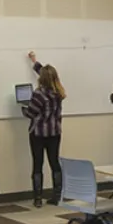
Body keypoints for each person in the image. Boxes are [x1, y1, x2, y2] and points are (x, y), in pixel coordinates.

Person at [24, 52, 65, 208]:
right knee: (54, 163)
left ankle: (38, 198)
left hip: (38, 133)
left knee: (37, 164)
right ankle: (57, 195)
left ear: (41, 79)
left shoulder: (38, 94)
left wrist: (23, 109)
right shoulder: (59, 92)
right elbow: (47, 74)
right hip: (55, 132)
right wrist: (35, 62)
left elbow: (31, 113)